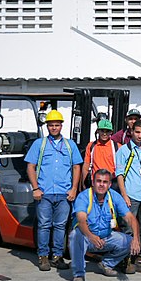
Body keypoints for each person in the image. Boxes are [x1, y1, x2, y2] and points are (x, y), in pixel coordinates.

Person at [25, 110, 83, 272]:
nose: (54, 128)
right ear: (47, 126)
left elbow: (76, 166)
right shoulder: (39, 144)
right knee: (44, 225)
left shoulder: (70, 144)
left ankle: (57, 256)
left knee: (60, 226)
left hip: (64, 193)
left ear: (61, 126)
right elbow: (30, 166)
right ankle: (43, 256)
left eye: (57, 125)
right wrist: (35, 188)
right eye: (51, 125)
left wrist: (73, 189)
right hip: (44, 192)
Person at [69, 169, 141, 281]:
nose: (101, 184)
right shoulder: (84, 197)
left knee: (129, 241)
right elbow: (81, 220)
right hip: (87, 237)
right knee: (75, 236)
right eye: (98, 181)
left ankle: (106, 264)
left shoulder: (114, 197)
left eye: (105, 182)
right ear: (93, 182)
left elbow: (130, 218)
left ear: (110, 184)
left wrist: (136, 239)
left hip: (106, 237)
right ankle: (79, 274)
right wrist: (91, 236)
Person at [115, 119, 141, 273]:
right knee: (129, 228)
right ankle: (126, 259)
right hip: (131, 194)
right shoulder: (123, 151)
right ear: (131, 132)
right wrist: (124, 195)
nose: (140, 136)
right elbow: (119, 174)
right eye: (137, 132)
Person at [81, 119, 120, 190]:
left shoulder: (117, 147)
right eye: (102, 131)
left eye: (107, 131)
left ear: (111, 132)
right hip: (95, 183)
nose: (104, 134)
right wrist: (84, 184)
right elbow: (86, 166)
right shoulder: (91, 146)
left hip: (111, 184)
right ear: (98, 131)